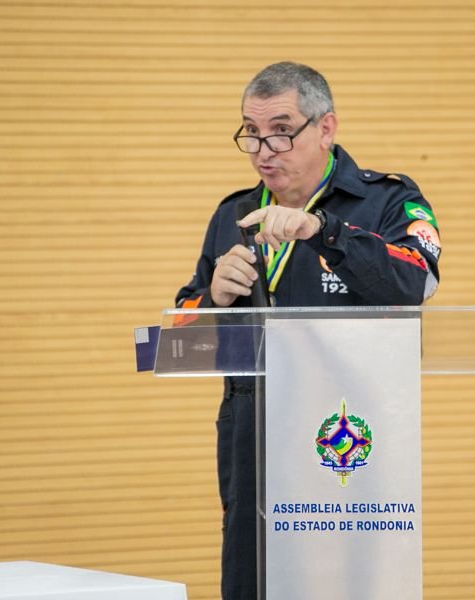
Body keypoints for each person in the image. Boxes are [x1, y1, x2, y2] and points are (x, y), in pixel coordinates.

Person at [175, 62, 441, 600]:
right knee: (254, 581)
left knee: (353, 582)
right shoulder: (235, 213)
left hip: (352, 434)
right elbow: (181, 334)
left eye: (281, 131)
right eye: (252, 133)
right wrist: (214, 299)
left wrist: (325, 231)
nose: (264, 150)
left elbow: (416, 279)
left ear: (326, 128)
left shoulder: (386, 201)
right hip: (255, 430)